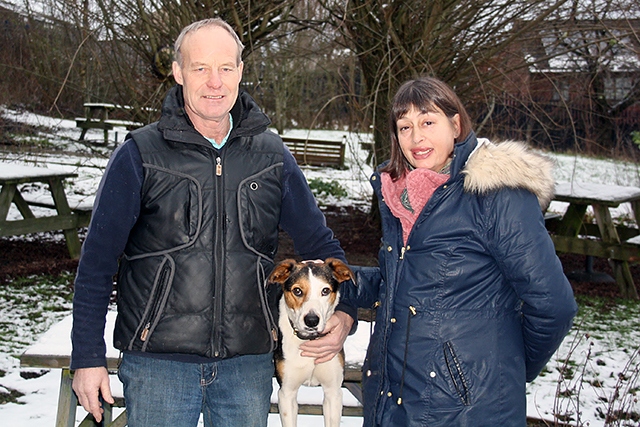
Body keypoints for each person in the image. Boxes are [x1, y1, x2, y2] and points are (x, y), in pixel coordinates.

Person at [70, 18, 355, 427]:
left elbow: (323, 245)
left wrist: (345, 317)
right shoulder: (140, 154)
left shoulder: (272, 156)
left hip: (246, 368)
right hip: (158, 368)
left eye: (225, 67)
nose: (214, 82)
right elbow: (96, 262)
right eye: (200, 67)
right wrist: (87, 356)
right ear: (178, 72)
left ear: (240, 71)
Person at [341, 76, 578, 426]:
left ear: (456, 124)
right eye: (404, 127)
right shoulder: (400, 197)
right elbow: (405, 283)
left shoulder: (496, 195)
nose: (416, 137)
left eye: (427, 122)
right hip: (396, 398)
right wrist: (334, 279)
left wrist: (503, 368)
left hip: (466, 409)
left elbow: (554, 304)